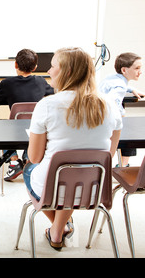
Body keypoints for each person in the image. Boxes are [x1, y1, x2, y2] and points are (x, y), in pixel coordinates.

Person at [24, 47, 122, 251]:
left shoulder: (47, 105)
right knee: (74, 174)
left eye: (52, 67)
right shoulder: (111, 105)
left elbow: (34, 157)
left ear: (67, 72)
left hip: (52, 190)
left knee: (30, 169)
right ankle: (58, 231)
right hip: (93, 190)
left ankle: (57, 229)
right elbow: (109, 155)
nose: (48, 72)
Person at [0, 49, 54, 181]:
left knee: (3, 126)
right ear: (35, 67)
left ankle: (14, 161)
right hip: (34, 131)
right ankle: (29, 158)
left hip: (14, 131)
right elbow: (53, 93)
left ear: (15, 65)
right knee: (35, 125)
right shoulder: (41, 82)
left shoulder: (8, 84)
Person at [99, 52, 145, 167]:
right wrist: (122, 114)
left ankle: (123, 164)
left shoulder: (112, 78)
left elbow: (117, 85)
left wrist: (131, 89)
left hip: (99, 119)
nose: (140, 72)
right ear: (124, 70)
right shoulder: (120, 86)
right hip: (107, 122)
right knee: (131, 131)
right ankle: (123, 166)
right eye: (137, 68)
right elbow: (112, 102)